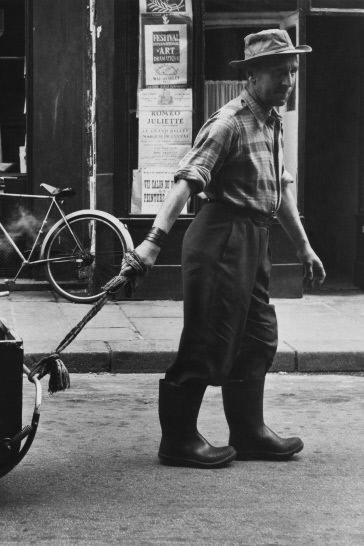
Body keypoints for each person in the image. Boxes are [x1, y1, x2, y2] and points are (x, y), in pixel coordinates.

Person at [122, 29, 326, 468]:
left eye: (292, 73)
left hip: (254, 238)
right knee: (205, 340)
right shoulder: (228, 122)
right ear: (251, 75)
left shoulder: (271, 120)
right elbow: (186, 181)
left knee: (259, 338)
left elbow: (281, 189)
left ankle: (248, 432)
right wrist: (153, 242)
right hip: (220, 238)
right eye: (279, 73)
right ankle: (177, 440)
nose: (288, 82)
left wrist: (304, 247)